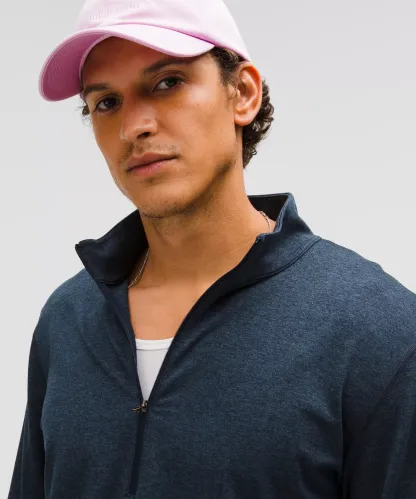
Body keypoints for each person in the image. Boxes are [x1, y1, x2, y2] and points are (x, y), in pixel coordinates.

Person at [8, 0, 416, 497]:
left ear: (242, 93)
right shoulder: (68, 319)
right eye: (106, 102)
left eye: (167, 83)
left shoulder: (378, 331)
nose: (133, 127)